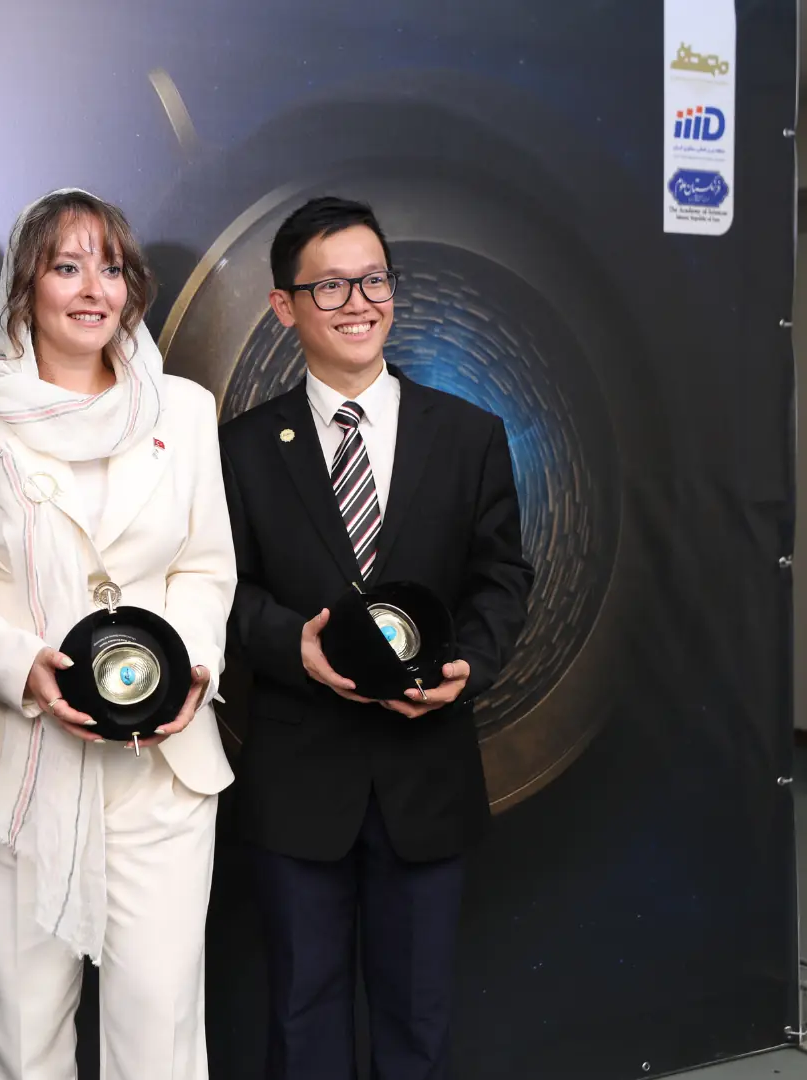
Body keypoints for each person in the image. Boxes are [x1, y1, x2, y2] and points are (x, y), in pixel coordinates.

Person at [0, 189, 237, 1080]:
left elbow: (206, 569)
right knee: (18, 1042)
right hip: (13, 766)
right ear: (26, 288)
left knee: (161, 1034)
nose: (93, 288)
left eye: (112, 266)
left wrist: (191, 671)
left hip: (161, 765)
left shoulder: (184, 412)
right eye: (66, 266)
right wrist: (26, 669)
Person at [218, 196, 534, 1080]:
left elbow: (502, 577)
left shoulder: (469, 435)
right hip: (298, 777)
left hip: (424, 772)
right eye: (329, 286)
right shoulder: (241, 448)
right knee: (301, 1009)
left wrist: (468, 664)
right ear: (285, 306)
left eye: (373, 279)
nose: (358, 302)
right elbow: (220, 592)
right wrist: (295, 646)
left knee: (417, 1016)